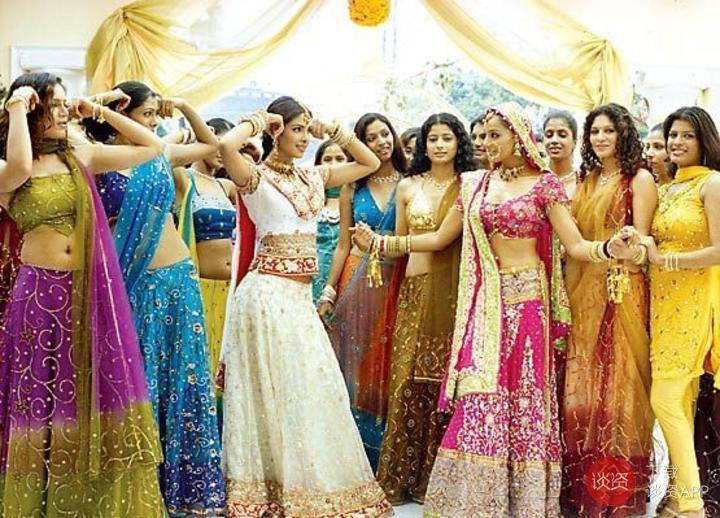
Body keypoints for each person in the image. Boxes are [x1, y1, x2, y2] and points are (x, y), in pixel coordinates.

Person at [353, 102, 634, 516]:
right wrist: (382, 243)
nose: (485, 142)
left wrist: (609, 248)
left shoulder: (544, 185)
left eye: (494, 135)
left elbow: (574, 245)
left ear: (517, 137)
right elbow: (439, 238)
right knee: (480, 394)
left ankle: (523, 499)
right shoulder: (474, 185)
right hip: (485, 302)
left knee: (524, 396)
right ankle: (477, 499)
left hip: (529, 306)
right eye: (483, 136)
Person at [0, 72, 166, 516]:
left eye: (64, 103)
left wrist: (98, 111)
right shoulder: (7, 167)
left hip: (87, 295)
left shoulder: (79, 155)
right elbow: (19, 169)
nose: (62, 112)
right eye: (53, 104)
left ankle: (86, 503)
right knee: (41, 398)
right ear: (32, 110)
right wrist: (15, 106)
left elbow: (152, 147)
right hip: (37, 298)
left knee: (85, 394)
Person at [218, 96, 391, 516]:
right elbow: (224, 146)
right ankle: (267, 489)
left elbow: (368, 162)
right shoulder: (254, 176)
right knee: (272, 393)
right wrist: (261, 120)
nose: (302, 137)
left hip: (298, 300)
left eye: (304, 129)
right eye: (296, 129)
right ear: (277, 132)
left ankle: (309, 485)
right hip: (264, 297)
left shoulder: (315, 176)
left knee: (312, 388)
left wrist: (331, 130)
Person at [85, 81, 225, 514]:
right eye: (145, 114)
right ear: (121, 115)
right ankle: (140, 486)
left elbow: (210, 144)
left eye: (152, 115)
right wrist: (102, 106)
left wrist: (182, 105)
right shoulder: (96, 157)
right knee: (140, 380)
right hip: (131, 283)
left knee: (184, 378)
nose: (152, 121)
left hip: (179, 280)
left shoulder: (160, 154)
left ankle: (185, 487)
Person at [561, 103, 658, 517]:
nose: (600, 138)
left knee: (622, 389)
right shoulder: (585, 180)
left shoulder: (639, 179)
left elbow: (645, 245)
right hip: (583, 293)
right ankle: (582, 490)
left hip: (623, 294)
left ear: (624, 135)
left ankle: (615, 497)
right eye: (595, 131)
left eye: (609, 131)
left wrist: (627, 248)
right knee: (583, 388)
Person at [373, 113, 472, 504]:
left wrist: (382, 244)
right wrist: (374, 248)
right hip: (413, 293)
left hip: (453, 296)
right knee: (407, 381)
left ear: (458, 142)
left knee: (444, 383)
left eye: (447, 138)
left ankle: (436, 478)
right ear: (423, 145)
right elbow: (401, 245)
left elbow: (439, 240)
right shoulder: (408, 186)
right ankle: (402, 478)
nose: (439, 145)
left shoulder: (470, 185)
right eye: (433, 139)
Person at [640, 106, 720, 518]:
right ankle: (674, 496)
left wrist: (665, 260)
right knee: (681, 403)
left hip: (693, 304)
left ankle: (691, 506)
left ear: (704, 140)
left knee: (665, 400)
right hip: (661, 304)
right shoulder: (668, 187)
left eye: (687, 135)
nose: (677, 142)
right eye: (673, 134)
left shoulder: (712, 183)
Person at [319, 112, 406, 469]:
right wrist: (329, 290)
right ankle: (352, 457)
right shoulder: (352, 187)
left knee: (388, 363)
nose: (381, 142)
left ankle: (386, 455)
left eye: (385, 134)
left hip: (397, 279)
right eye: (371, 138)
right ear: (361, 144)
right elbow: (342, 244)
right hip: (356, 278)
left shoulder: (410, 182)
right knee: (353, 364)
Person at [312, 139, 350, 302]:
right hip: (312, 280)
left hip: (348, 278)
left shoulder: (359, 201)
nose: (333, 165)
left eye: (340, 159)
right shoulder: (309, 201)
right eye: (327, 159)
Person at [543, 110, 579, 199]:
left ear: (574, 142)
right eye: (549, 135)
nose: (554, 140)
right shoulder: (534, 178)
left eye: (562, 135)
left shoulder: (584, 182)